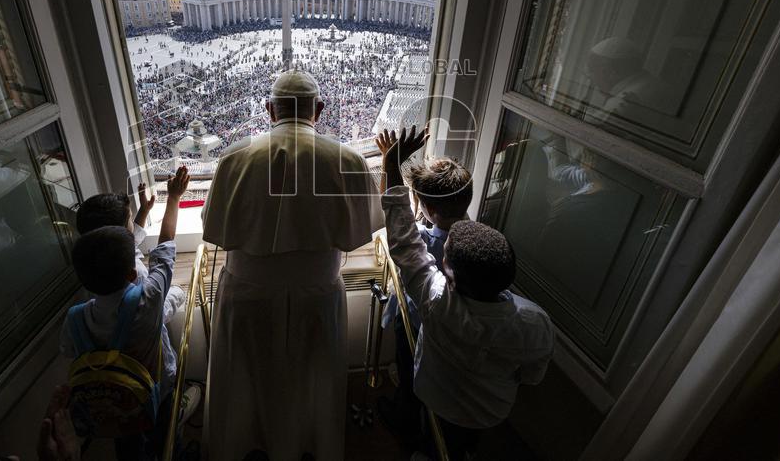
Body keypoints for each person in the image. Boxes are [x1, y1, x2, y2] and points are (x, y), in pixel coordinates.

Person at [202, 70, 384, 461]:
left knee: (245, 382)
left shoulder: (234, 156)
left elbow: (213, 226)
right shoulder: (347, 158)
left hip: (246, 294)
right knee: (312, 382)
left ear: (269, 110)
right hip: (317, 294)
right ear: (319, 109)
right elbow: (366, 224)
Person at [379, 127, 554, 459]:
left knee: (437, 444)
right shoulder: (536, 320)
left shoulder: (438, 303)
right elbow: (531, 375)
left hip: (439, 397)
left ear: (451, 277)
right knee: (460, 442)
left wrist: (391, 165)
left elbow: (404, 242)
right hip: (491, 410)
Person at [59, 167, 191, 460]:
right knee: (167, 438)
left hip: (109, 402)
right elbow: (166, 248)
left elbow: (68, 349)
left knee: (127, 443)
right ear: (132, 273)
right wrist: (174, 198)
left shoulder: (75, 317)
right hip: (157, 386)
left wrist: (143, 213)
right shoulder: (148, 297)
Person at [372, 133, 473, 437]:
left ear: (429, 210)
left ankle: (405, 419)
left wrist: (391, 164)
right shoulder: (476, 235)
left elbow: (396, 222)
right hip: (456, 337)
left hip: (417, 323)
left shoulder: (424, 240)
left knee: (409, 372)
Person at [75, 184, 187, 321]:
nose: (132, 220)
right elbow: (157, 309)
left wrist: (144, 211)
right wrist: (174, 198)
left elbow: (130, 240)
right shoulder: (136, 274)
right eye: (130, 217)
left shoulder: (93, 264)